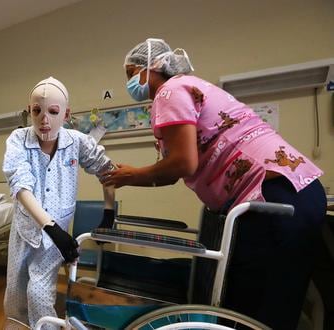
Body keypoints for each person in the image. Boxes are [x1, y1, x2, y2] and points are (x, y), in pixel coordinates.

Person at [100, 38, 327, 329]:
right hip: (291, 193)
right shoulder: (192, 87)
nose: (130, 83)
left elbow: (183, 164)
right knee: (270, 303)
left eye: (132, 74)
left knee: (255, 311)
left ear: (151, 68)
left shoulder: (169, 91)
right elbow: (174, 171)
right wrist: (133, 176)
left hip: (275, 199)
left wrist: (130, 176)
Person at [2, 77, 116, 329]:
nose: (44, 119)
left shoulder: (77, 142)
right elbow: (20, 186)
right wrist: (50, 227)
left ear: (66, 113)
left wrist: (108, 214)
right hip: (25, 230)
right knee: (15, 295)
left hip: (55, 237)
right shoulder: (18, 139)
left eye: (53, 112)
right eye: (37, 111)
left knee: (39, 294)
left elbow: (107, 171)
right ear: (29, 111)